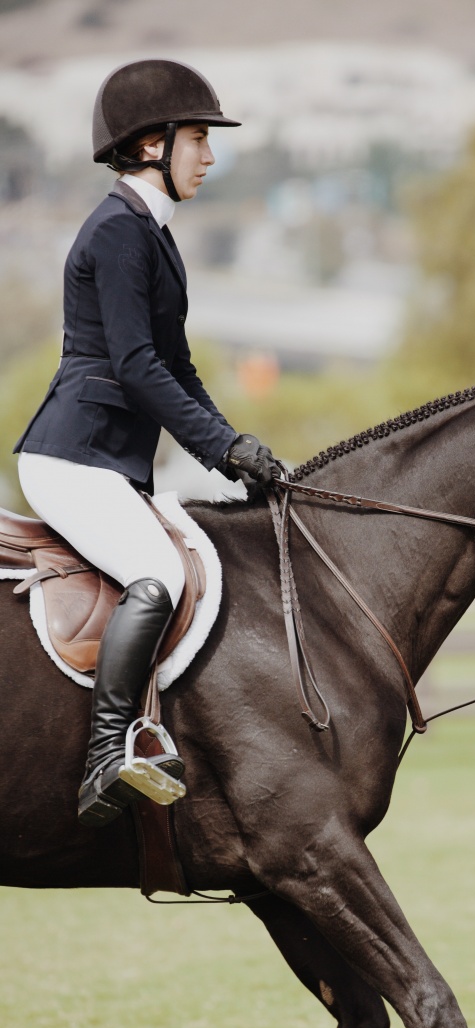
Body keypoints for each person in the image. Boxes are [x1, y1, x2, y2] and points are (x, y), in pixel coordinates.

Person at [14, 58, 278, 828]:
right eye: (198, 138)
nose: (209, 155)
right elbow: (134, 368)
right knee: (158, 570)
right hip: (72, 455)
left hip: (108, 458)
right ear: (150, 144)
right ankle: (106, 754)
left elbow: (178, 369)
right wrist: (224, 451)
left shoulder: (151, 236)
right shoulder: (120, 232)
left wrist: (237, 448)